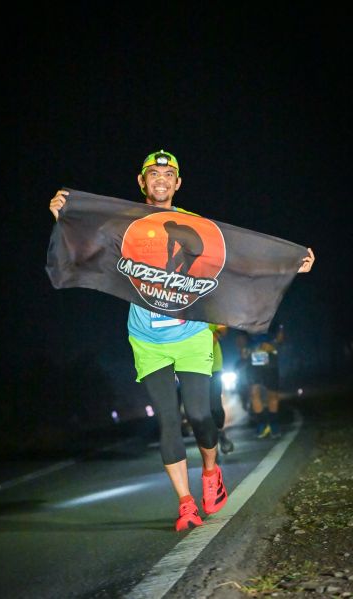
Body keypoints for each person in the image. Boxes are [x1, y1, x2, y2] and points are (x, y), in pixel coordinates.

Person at [49, 149, 315, 532]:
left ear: (177, 183)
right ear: (142, 182)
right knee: (168, 422)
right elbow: (86, 245)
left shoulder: (195, 224)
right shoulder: (123, 223)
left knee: (201, 415)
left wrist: (285, 264)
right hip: (147, 338)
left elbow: (237, 260)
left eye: (168, 174)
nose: (161, 180)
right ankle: (185, 503)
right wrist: (65, 216)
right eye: (153, 174)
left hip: (191, 333)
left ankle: (210, 472)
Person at [247, 323, 285, 439]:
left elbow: (280, 335)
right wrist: (244, 348)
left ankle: (274, 425)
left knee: (272, 394)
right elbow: (241, 336)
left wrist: (274, 344)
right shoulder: (245, 314)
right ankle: (262, 424)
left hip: (270, 356)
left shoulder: (272, 315)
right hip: (253, 356)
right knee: (254, 393)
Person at [209, 324, 234, 454]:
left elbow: (223, 327)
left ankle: (220, 432)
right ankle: (210, 444)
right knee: (200, 411)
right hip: (191, 368)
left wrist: (217, 334)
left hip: (213, 367)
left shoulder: (209, 312)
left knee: (215, 408)